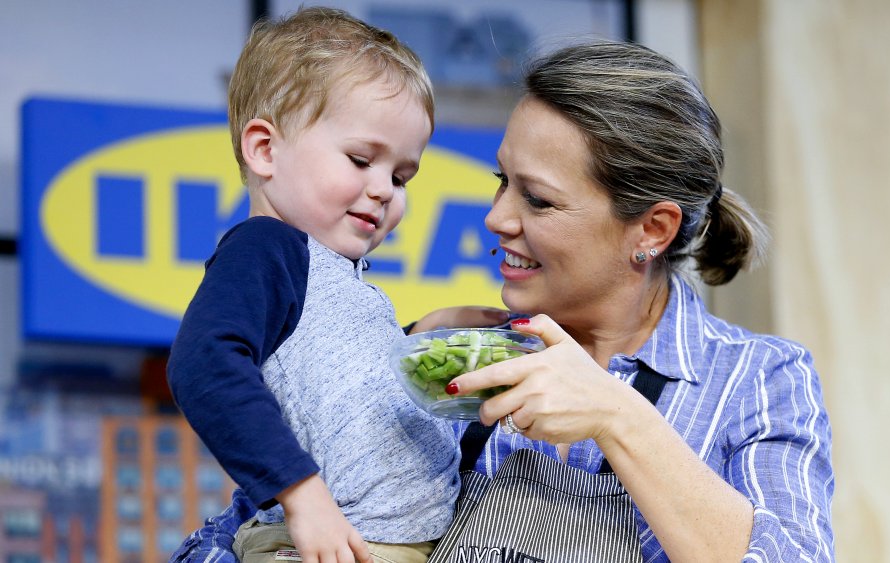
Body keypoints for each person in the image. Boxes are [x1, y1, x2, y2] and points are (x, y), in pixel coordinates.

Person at [172, 39, 835, 563]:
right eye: (501, 181)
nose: (496, 218)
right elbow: (249, 529)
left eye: (537, 199)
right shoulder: (443, 358)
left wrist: (616, 415)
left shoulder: (760, 381)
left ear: (652, 230)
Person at [166, 7, 508, 563]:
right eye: (360, 159)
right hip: (331, 544)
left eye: (400, 177)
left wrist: (421, 333)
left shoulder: (332, 273)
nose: (383, 190)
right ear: (265, 149)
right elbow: (204, 362)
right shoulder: (266, 248)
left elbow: (324, 374)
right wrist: (303, 497)